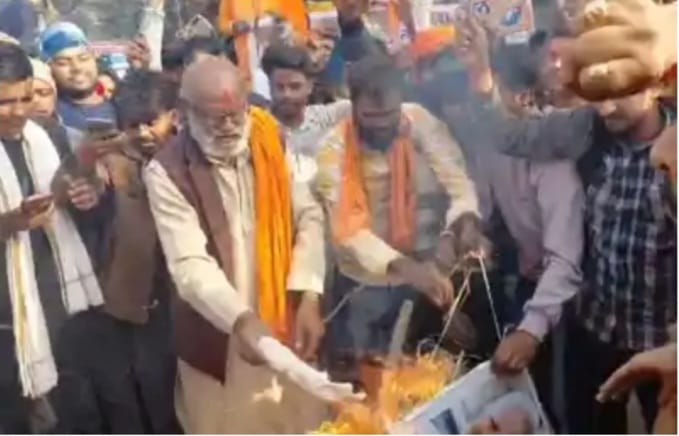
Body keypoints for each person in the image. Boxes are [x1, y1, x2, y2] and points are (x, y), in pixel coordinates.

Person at [143, 55, 361, 433]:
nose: (229, 127)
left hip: (286, 320)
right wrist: (242, 321)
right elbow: (190, 265)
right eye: (216, 119)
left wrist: (309, 294)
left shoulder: (269, 137)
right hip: (221, 337)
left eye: (236, 114)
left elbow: (307, 215)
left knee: (304, 420)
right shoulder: (166, 171)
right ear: (185, 113)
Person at [314, 55, 486, 379]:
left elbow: (457, 180)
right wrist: (408, 269)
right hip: (364, 286)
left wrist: (464, 222)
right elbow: (349, 232)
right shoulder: (332, 149)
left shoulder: (419, 121)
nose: (381, 125)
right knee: (368, 380)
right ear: (352, 105)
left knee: (427, 374)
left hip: (428, 273)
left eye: (389, 115)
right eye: (370, 116)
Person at [49, 70, 182, 433]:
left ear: (174, 116)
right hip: (127, 306)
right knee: (131, 404)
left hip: (182, 302)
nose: (142, 133)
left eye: (151, 122)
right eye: (132, 125)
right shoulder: (110, 158)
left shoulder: (188, 155)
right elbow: (68, 185)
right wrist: (85, 169)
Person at [0, 41, 103, 433]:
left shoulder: (47, 138)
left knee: (77, 414)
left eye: (25, 98)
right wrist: (12, 222)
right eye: (4, 102)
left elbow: (75, 194)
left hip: (59, 306)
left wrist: (86, 194)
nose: (19, 111)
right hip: (8, 323)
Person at [261, 43, 351, 182]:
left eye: (295, 87)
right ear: (269, 86)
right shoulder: (259, 128)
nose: (286, 94)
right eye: (279, 87)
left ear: (309, 86)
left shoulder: (325, 118)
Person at [38, 22, 117, 135]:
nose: (77, 68)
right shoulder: (47, 115)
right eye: (63, 63)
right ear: (48, 68)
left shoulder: (122, 105)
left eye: (83, 58)